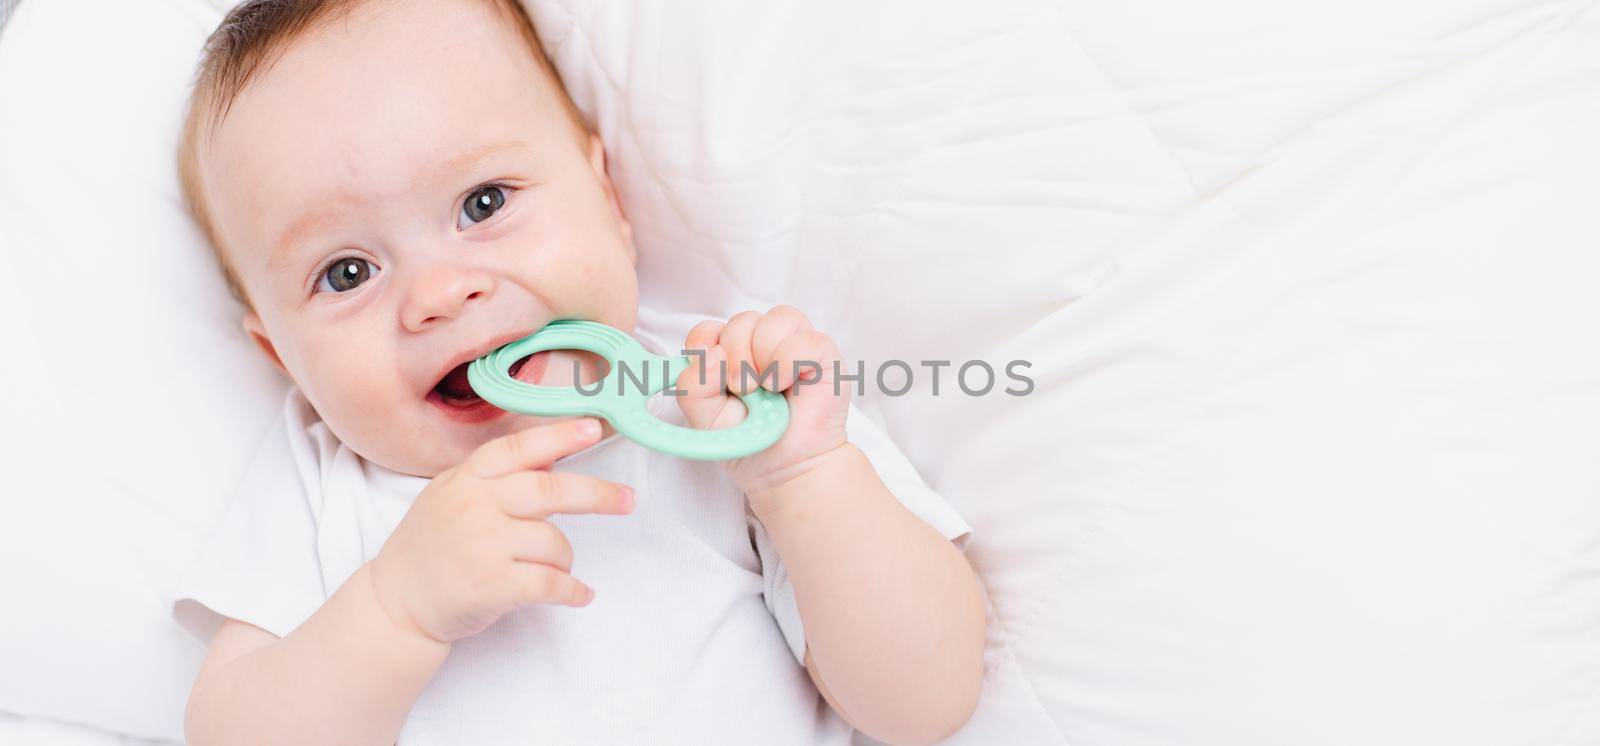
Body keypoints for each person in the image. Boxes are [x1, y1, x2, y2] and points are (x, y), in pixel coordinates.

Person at [173, 1, 985, 743]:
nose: (439, 294)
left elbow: (927, 703)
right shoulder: (327, 485)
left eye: (484, 203)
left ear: (611, 202)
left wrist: (805, 477)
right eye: (347, 273)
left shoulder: (724, 404)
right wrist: (395, 609)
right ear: (282, 356)